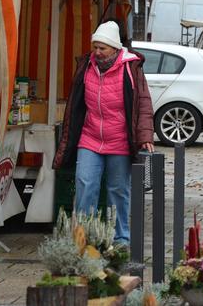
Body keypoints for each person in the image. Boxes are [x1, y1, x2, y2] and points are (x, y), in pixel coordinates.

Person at [53, 21, 155, 245]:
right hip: (90, 138)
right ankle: (82, 239)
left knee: (117, 191)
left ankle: (121, 240)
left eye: (103, 48)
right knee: (85, 184)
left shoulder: (131, 68)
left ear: (115, 48)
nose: (97, 52)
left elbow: (144, 103)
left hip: (119, 139)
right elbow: (76, 102)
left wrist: (145, 135)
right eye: (95, 47)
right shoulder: (86, 66)